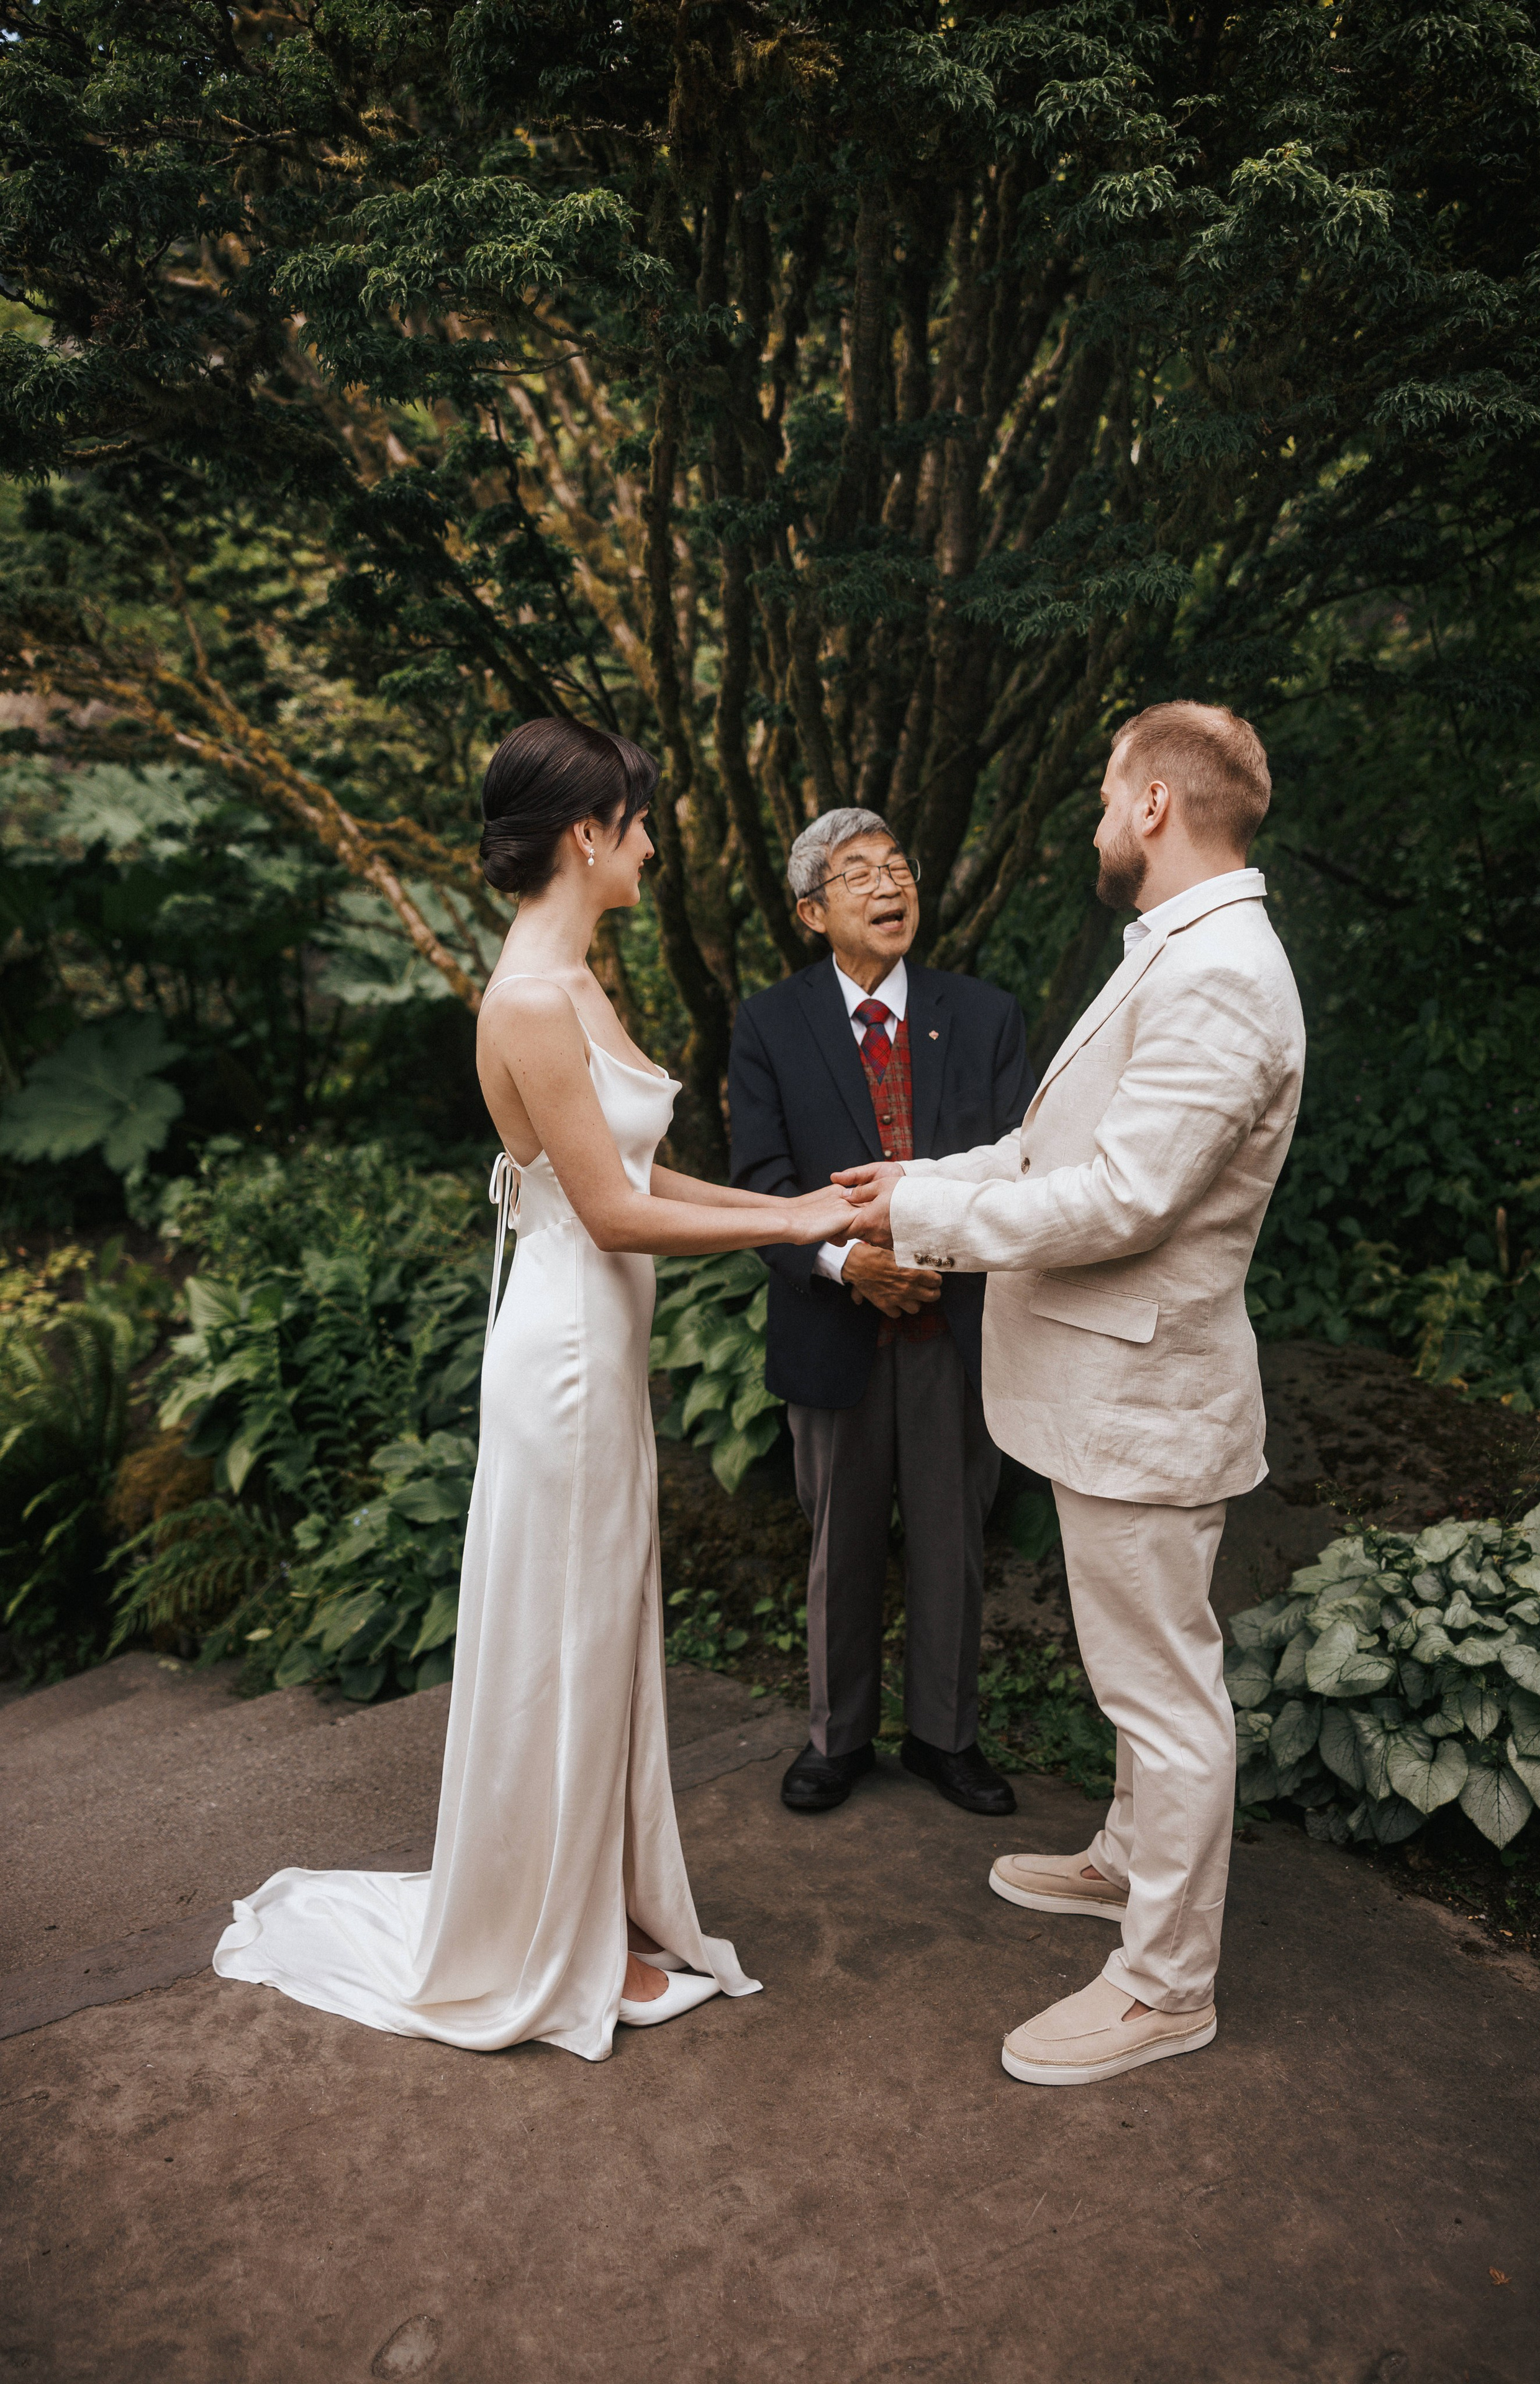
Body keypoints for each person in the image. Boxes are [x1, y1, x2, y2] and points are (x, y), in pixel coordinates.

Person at [214, 719, 855, 2060]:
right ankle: (570, 1941)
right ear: (585, 833)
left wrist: (801, 1208)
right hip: (562, 1360)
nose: (651, 844)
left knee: (598, 1635)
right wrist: (792, 1224)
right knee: (567, 1642)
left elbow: (642, 1172)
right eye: (638, 821)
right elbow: (613, 1217)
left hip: (595, 1355)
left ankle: (596, 1907)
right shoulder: (525, 999)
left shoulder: (575, 979)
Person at [837, 703, 1305, 2086]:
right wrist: (920, 1178)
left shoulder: (1221, 971)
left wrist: (925, 1218)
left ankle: (1166, 1985)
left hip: (1145, 1397)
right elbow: (1057, 1150)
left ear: (1154, 802)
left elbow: (1120, 1201)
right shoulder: (1177, 946)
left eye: (1107, 794)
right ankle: (1126, 1858)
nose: (1097, 819)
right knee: (1136, 1675)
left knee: (1164, 1695)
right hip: (1109, 1389)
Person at [727, 809, 1035, 1818]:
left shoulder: (984, 1015)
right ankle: (837, 1738)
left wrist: (929, 1255)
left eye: (897, 863)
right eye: (857, 873)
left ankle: (947, 1737)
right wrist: (847, 1263)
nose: (888, 883)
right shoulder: (769, 1024)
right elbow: (760, 1184)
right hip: (834, 1325)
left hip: (956, 1324)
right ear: (813, 912)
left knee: (954, 1540)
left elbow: (1024, 1168)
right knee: (841, 1544)